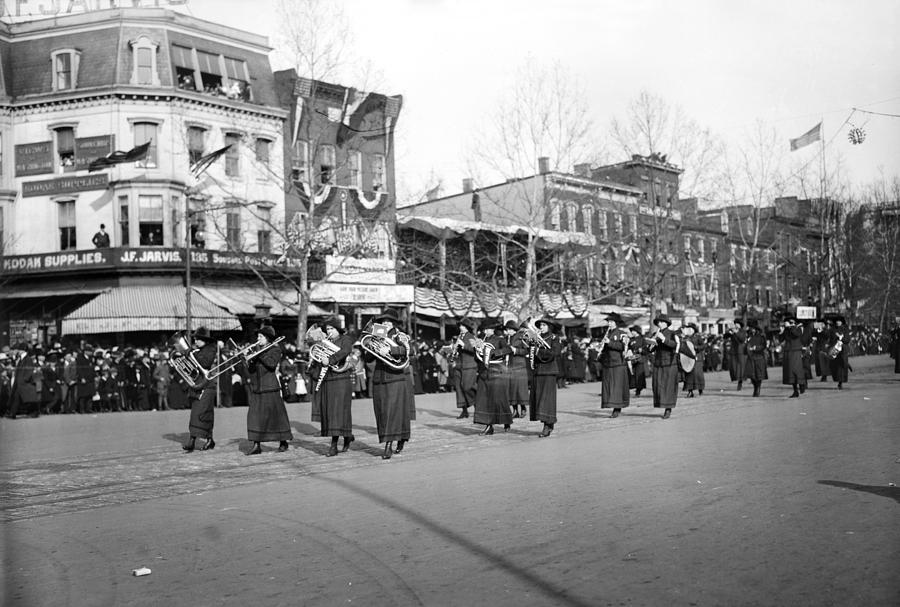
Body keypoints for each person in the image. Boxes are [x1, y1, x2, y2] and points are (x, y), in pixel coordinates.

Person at [363, 309, 413, 459]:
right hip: (379, 378)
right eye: (383, 321)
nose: (385, 323)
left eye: (388, 321)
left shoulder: (399, 335)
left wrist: (390, 349)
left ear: (394, 323)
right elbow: (368, 360)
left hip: (395, 378)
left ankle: (388, 445)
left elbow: (407, 351)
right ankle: (399, 437)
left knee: (392, 412)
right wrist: (371, 347)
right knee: (381, 412)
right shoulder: (377, 335)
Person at [242, 324, 293, 455]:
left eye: (260, 336)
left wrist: (257, 354)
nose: (258, 339)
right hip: (258, 388)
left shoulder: (275, 349)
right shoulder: (258, 351)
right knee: (255, 417)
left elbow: (271, 364)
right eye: (258, 336)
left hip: (270, 387)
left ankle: (283, 441)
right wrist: (246, 359)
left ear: (267, 338)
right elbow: (251, 370)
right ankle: (256, 444)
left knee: (276, 416)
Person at [309, 318, 355, 456]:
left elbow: (345, 351)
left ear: (338, 329)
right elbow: (320, 360)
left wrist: (330, 359)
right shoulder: (325, 342)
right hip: (328, 379)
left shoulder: (345, 339)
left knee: (339, 411)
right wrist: (314, 362)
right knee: (331, 412)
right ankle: (347, 436)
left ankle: (334, 445)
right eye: (327, 329)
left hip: (341, 379)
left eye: (332, 329)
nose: (329, 331)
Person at [473, 318, 512, 435]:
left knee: (499, 399)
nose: (487, 331)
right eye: (485, 329)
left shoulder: (499, 340)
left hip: (496, 372)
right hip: (484, 373)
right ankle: (488, 425)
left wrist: (495, 353)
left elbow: (508, 350)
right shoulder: (480, 340)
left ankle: (506, 420)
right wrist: (477, 349)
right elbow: (477, 358)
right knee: (483, 399)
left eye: (489, 329)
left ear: (493, 330)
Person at [183, 328, 218, 451]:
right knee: (196, 414)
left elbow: (205, 362)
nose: (195, 341)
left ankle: (198, 440)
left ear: (205, 340)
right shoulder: (199, 350)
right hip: (198, 384)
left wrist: (191, 354)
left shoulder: (211, 349)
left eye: (198, 339)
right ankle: (202, 440)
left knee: (203, 414)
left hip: (207, 386)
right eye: (195, 339)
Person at [529, 318, 562, 437]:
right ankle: (547, 422)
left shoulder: (554, 338)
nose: (541, 327)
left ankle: (547, 425)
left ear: (549, 327)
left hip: (549, 371)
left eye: (544, 325)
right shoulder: (537, 338)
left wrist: (539, 352)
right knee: (539, 399)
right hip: (538, 371)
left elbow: (555, 353)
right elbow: (531, 352)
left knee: (547, 400)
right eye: (540, 325)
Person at [598, 314, 630, 418]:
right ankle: (610, 404)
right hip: (608, 363)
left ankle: (617, 408)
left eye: (611, 322)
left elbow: (622, 347)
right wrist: (599, 349)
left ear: (616, 323)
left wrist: (610, 342)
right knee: (609, 386)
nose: (609, 324)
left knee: (617, 386)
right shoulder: (606, 333)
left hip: (618, 363)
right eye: (608, 322)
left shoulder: (622, 333)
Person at [649, 314, 678, 419]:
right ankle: (661, 404)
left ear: (666, 323)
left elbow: (675, 345)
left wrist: (664, 339)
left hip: (669, 363)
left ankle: (668, 408)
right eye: (658, 323)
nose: (659, 324)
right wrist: (650, 345)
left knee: (668, 386)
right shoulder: (655, 334)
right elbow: (651, 349)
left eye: (661, 322)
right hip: (658, 362)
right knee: (658, 385)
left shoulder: (672, 333)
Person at [504, 320, 530, 419]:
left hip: (520, 365)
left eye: (510, 329)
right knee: (512, 389)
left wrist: (516, 350)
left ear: (514, 329)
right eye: (507, 329)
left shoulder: (521, 337)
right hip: (510, 365)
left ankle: (523, 407)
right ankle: (515, 410)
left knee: (520, 389)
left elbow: (526, 350)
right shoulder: (507, 338)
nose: (508, 331)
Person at [452, 319, 478, 419]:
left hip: (469, 365)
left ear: (467, 327)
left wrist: (464, 345)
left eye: (462, 326)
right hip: (459, 365)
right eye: (460, 326)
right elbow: (459, 352)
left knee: (468, 387)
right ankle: (464, 410)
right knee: (459, 388)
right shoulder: (459, 337)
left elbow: (475, 350)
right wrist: (454, 350)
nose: (460, 328)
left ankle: (477, 407)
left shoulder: (471, 337)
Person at [778, 316, 807, 398]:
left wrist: (792, 327)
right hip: (788, 351)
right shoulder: (786, 330)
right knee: (790, 371)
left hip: (796, 351)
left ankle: (802, 383)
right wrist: (781, 332)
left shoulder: (797, 328)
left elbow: (797, 334)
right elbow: (781, 339)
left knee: (797, 369)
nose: (785, 324)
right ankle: (795, 390)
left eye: (786, 322)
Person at [745, 320, 768, 397]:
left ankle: (758, 388)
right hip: (751, 357)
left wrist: (756, 348)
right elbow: (746, 346)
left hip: (759, 356)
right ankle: (755, 387)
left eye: (753, 328)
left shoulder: (761, 337)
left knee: (759, 375)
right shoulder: (748, 336)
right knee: (751, 375)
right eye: (751, 328)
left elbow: (763, 346)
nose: (752, 330)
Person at [827, 315, 850, 390]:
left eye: (839, 321)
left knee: (842, 366)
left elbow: (847, 340)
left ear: (842, 322)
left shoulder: (845, 329)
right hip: (835, 350)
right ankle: (838, 380)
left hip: (843, 350)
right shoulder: (832, 330)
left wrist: (840, 337)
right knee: (835, 366)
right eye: (836, 321)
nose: (838, 322)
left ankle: (841, 382)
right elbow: (830, 339)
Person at [681, 323, 705, 398]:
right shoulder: (685, 338)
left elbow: (703, 346)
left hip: (697, 358)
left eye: (691, 329)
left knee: (698, 374)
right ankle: (690, 391)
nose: (689, 330)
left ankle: (700, 388)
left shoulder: (697, 337)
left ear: (694, 330)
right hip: (688, 358)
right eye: (688, 329)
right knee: (689, 375)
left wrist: (696, 347)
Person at [726, 319, 747, 390]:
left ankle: (740, 382)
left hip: (740, 351)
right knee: (734, 367)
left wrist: (735, 332)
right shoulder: (732, 331)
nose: (735, 325)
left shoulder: (743, 332)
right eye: (735, 324)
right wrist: (729, 332)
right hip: (733, 351)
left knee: (740, 368)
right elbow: (725, 336)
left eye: (737, 324)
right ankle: (736, 378)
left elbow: (742, 339)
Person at [627, 326, 648, 397]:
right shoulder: (631, 340)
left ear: (637, 331)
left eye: (633, 331)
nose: (632, 332)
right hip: (632, 360)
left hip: (640, 360)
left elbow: (646, 350)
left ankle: (638, 390)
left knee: (639, 375)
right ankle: (634, 387)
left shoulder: (642, 339)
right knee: (633, 375)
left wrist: (642, 351)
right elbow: (629, 348)